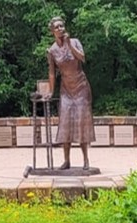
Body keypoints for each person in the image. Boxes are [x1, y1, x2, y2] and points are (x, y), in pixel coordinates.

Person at [47, 16, 95, 169]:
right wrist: (50, 91)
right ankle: (66, 160)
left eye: (62, 26)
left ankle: (86, 160)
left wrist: (69, 44)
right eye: (57, 27)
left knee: (82, 123)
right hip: (66, 89)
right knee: (65, 123)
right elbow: (52, 73)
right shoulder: (52, 51)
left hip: (81, 87)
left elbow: (82, 58)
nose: (61, 29)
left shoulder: (75, 42)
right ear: (52, 31)